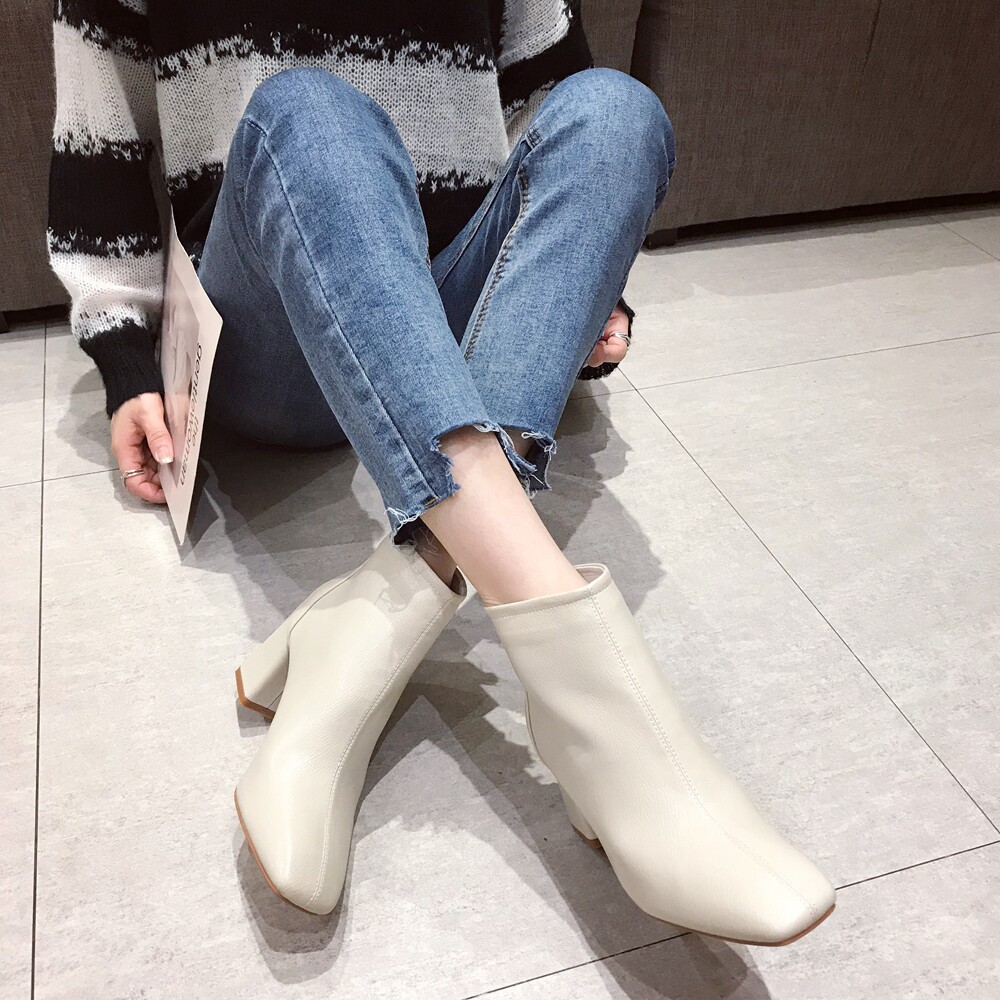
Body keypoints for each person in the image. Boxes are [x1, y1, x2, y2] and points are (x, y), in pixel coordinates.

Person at [48, 0, 835, 943]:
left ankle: (363, 631)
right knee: (307, 115)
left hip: (449, 312)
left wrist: (582, 288)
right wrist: (124, 351)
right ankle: (604, 728)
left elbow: (546, 93)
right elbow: (97, 138)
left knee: (617, 114)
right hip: (273, 325)